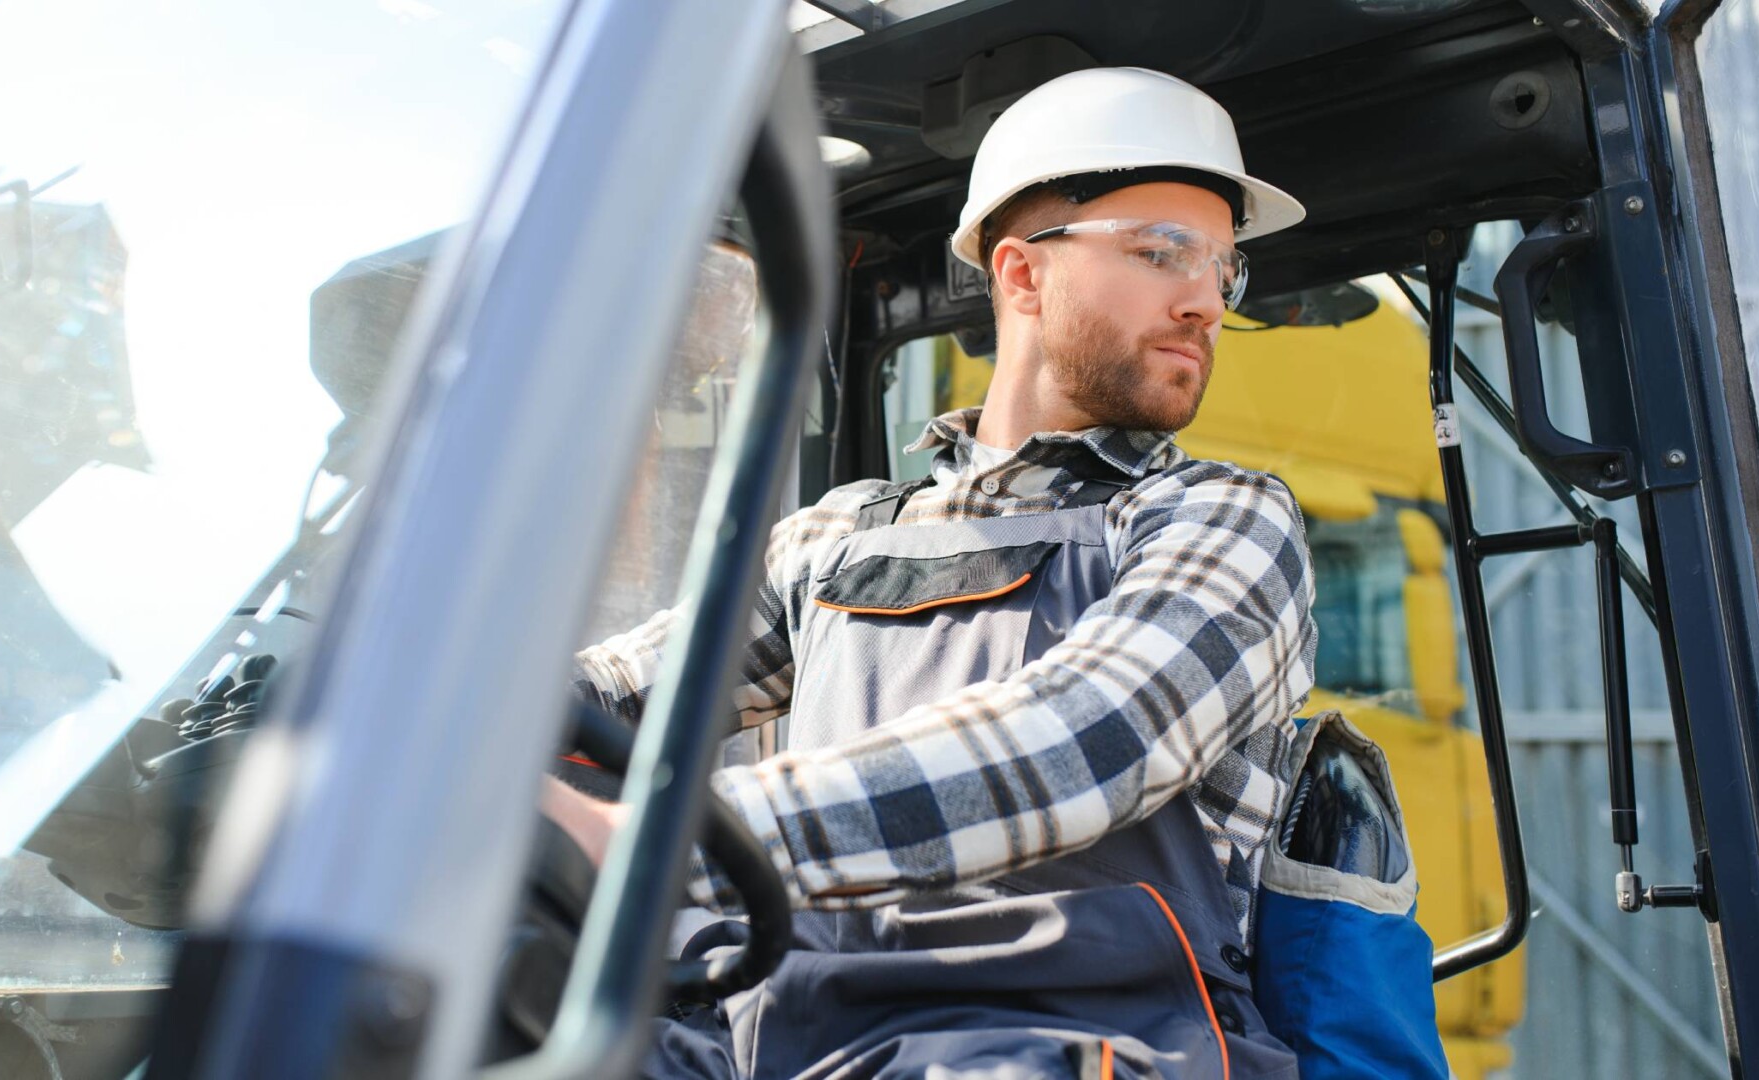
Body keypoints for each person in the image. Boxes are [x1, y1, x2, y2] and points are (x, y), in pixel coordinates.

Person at [546, 66, 1317, 1079]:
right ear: (1022, 275)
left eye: (1223, 269)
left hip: (1084, 1049)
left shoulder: (1221, 519)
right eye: (1163, 252)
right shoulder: (833, 539)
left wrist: (659, 846)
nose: (1205, 301)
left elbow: (1089, 740)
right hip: (808, 1044)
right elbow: (614, 692)